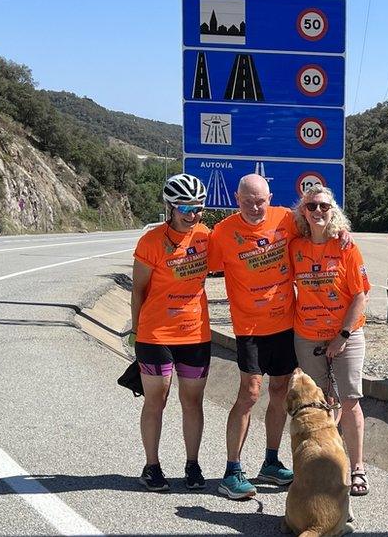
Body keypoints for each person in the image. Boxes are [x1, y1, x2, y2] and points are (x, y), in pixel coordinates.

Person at [208, 174, 351, 500]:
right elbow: (197, 264)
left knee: (279, 392)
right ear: (236, 198)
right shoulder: (223, 233)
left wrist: (341, 233)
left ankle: (270, 461)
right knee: (249, 393)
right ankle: (232, 470)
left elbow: (320, 229)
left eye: (260, 201)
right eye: (247, 201)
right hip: (250, 329)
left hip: (287, 325)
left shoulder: (286, 220)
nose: (255, 207)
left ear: (270, 197)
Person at [130, 173, 211, 492]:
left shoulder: (205, 235)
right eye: (185, 208)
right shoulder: (150, 241)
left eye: (198, 208)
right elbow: (138, 290)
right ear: (170, 207)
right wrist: (136, 330)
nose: (192, 215)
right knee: (156, 400)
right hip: (155, 335)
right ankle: (152, 466)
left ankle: (192, 465)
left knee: (193, 402)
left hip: (195, 334)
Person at [290, 185, 371, 497]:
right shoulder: (294, 246)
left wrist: (342, 336)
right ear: (304, 213)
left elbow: (360, 296)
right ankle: (326, 465)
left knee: (349, 401)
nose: (318, 211)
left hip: (346, 335)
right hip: (307, 334)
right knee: (320, 402)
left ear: (332, 209)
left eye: (324, 206)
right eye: (311, 207)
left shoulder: (346, 247)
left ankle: (357, 468)